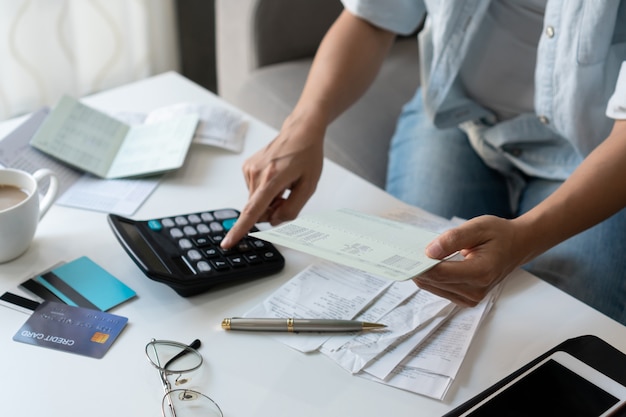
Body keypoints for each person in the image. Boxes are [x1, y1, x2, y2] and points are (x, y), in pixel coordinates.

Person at [222, 1, 626, 324]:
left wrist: (524, 239)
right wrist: (303, 124)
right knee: (405, 287)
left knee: (561, 328)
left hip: (597, 148)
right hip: (458, 118)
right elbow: (372, 17)